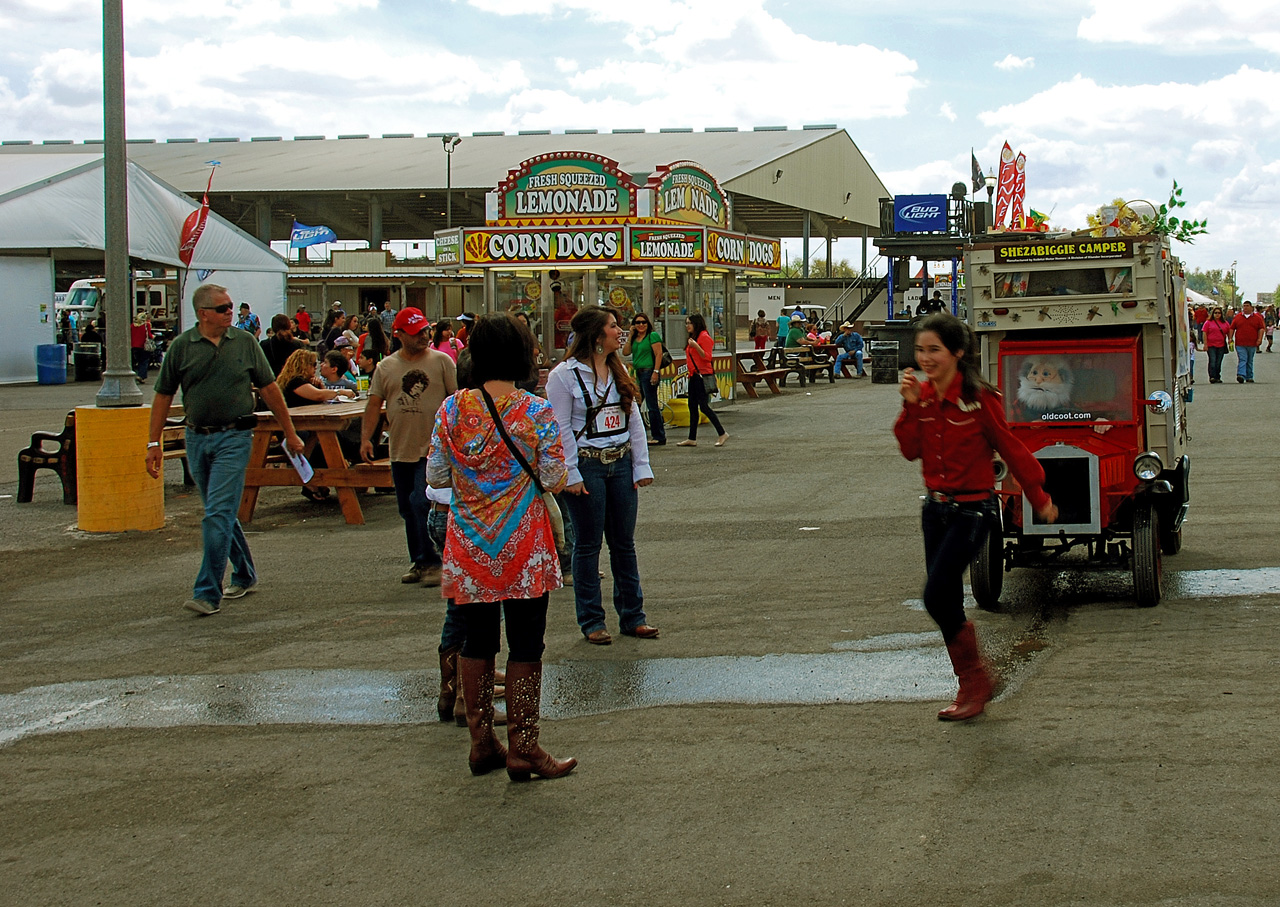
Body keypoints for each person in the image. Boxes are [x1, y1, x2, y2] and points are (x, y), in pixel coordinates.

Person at [429, 313, 576, 781]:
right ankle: (525, 747)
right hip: (524, 546)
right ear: (522, 353)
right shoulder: (534, 411)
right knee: (527, 641)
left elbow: (434, 476)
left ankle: (482, 743)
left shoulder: (451, 410)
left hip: (469, 544)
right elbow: (554, 478)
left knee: (477, 639)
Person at [894, 313, 1057, 721]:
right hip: (935, 510)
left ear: (958, 352)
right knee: (946, 599)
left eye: (935, 350)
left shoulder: (980, 398)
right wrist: (910, 407)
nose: (925, 359)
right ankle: (972, 685)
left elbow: (1012, 446)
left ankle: (976, 679)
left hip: (973, 510)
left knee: (935, 594)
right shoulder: (924, 396)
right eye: (920, 350)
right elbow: (910, 450)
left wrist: (1037, 496)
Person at [145, 284, 305, 616]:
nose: (230, 312)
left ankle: (206, 591)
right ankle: (245, 572)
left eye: (231, 307)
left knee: (216, 513)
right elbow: (162, 395)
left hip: (235, 436)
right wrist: (153, 443)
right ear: (203, 314)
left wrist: (289, 432)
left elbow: (270, 389)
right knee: (221, 512)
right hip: (197, 437)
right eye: (223, 308)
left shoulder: (245, 343)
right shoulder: (181, 348)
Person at [547, 306, 659, 646]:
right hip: (587, 465)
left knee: (624, 543)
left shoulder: (617, 369)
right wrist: (571, 472)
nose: (619, 331)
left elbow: (633, 418)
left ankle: (633, 616)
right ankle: (592, 620)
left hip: (620, 462)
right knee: (588, 545)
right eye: (613, 327)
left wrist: (641, 465)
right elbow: (561, 426)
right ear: (597, 336)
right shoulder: (563, 376)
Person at [360, 307, 457, 586]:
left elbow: (457, 399)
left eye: (426, 331)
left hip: (433, 449)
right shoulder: (386, 367)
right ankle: (419, 560)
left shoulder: (441, 362)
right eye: (416, 333)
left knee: (421, 501)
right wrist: (367, 438)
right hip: (400, 448)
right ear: (399, 334)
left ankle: (432, 562)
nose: (424, 337)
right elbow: (374, 404)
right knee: (406, 507)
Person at [677, 312, 728, 448]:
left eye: (689, 323)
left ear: (696, 324)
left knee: (704, 406)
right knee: (692, 406)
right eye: (686, 323)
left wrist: (696, 346)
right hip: (693, 375)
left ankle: (722, 433)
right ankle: (691, 437)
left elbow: (707, 357)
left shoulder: (704, 337)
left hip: (702, 375)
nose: (687, 326)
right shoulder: (693, 337)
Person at [622, 311, 666, 446]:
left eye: (643, 322)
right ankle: (642, 434)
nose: (641, 325)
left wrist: (655, 372)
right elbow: (626, 352)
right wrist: (630, 335)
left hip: (649, 371)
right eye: (637, 323)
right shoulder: (635, 339)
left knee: (652, 404)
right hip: (639, 372)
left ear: (648, 324)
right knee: (639, 403)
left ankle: (658, 435)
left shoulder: (652, 336)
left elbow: (658, 354)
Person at [1230, 301, 1265, 383]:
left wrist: (1259, 339)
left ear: (1251, 307)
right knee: (1243, 359)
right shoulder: (1238, 317)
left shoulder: (1257, 318)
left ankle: (1249, 376)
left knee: (1249, 360)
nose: (1245, 307)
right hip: (1240, 343)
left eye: (1247, 306)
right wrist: (1230, 338)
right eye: (1244, 306)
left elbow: (1261, 328)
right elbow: (1232, 328)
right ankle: (1241, 375)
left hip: (1252, 343)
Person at [1202, 306, 1231, 383]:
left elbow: (1229, 331)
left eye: (1219, 313)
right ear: (1213, 314)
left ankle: (1217, 376)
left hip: (1221, 345)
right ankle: (1212, 376)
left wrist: (1230, 339)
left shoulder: (1225, 323)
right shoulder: (1208, 322)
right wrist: (1205, 344)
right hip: (1211, 345)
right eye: (1215, 313)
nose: (1217, 314)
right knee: (1213, 361)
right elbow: (1204, 333)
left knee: (1218, 362)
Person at [552, 283, 577, 350]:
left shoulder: (567, 308)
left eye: (556, 297)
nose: (555, 301)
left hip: (563, 343)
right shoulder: (559, 309)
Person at [130, 312, 153, 381]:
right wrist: (153, 337)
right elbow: (149, 335)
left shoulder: (132, 326)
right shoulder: (146, 325)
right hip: (143, 345)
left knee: (138, 360)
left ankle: (138, 374)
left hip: (134, 346)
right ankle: (141, 376)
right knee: (144, 361)